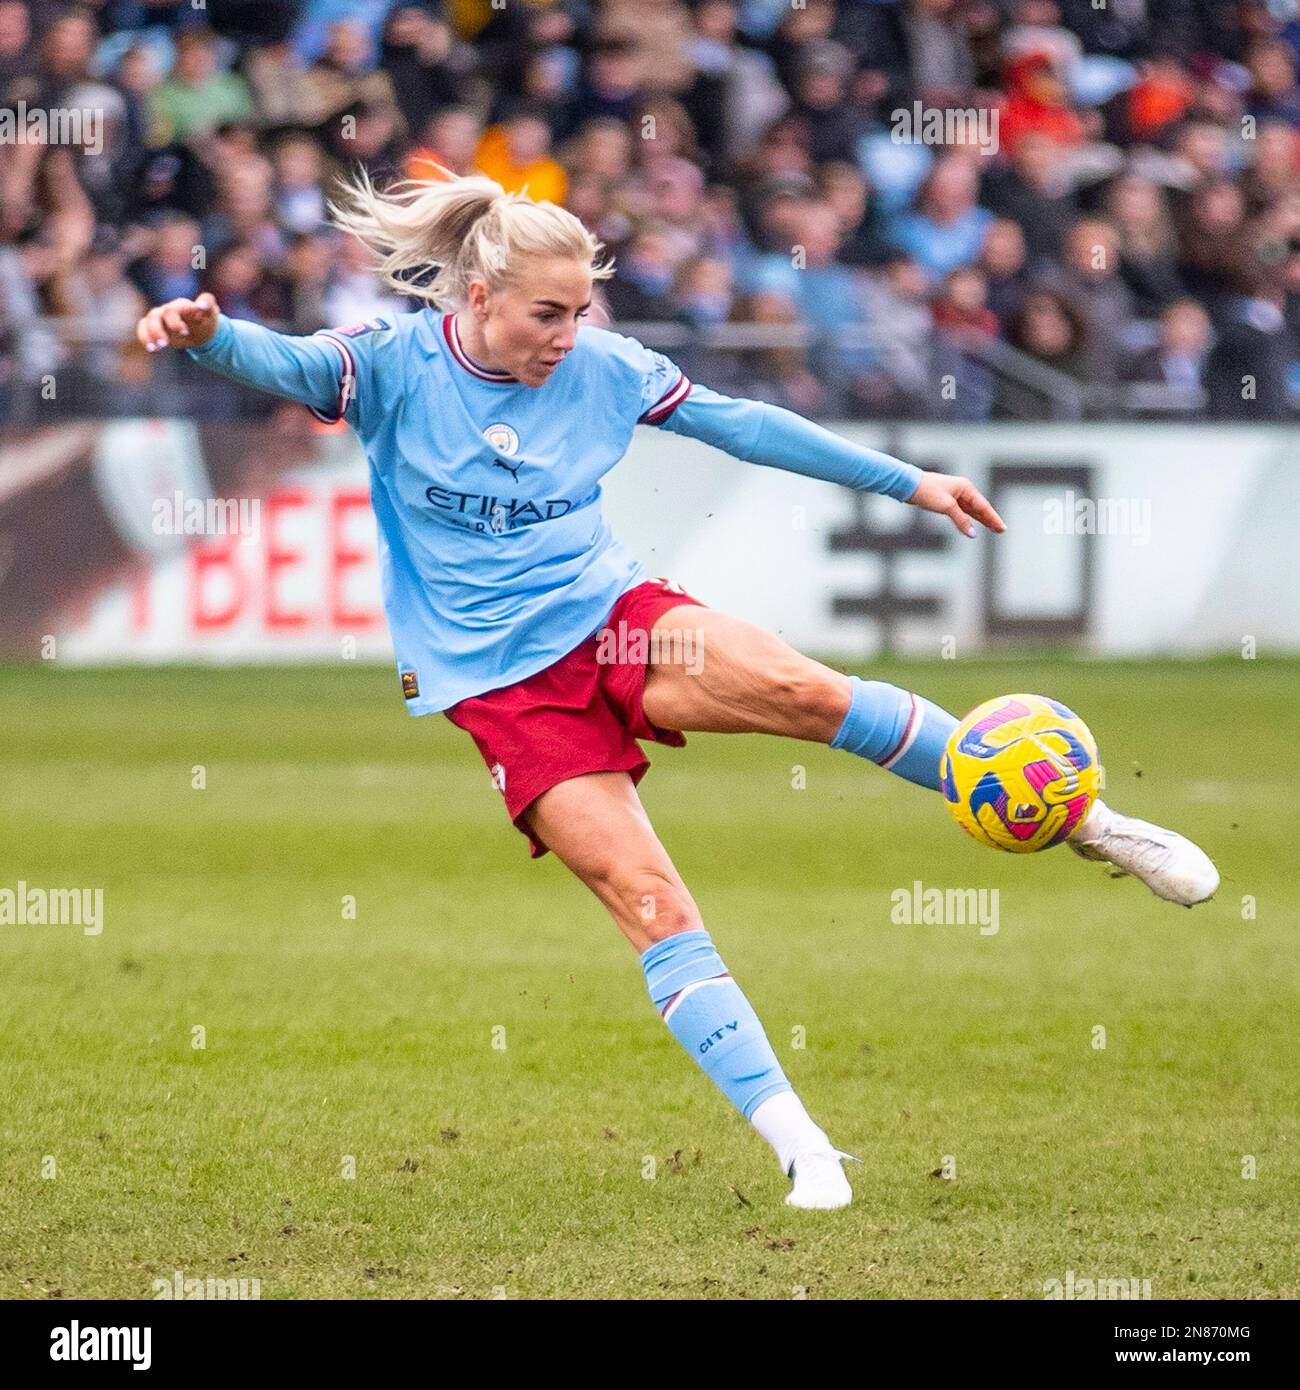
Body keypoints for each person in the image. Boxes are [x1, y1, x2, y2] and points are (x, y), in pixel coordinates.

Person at [135, 169, 1220, 1210]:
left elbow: (743, 424)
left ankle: (1085, 817)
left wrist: (910, 480)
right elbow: (278, 363)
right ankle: (805, 1152)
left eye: (579, 312)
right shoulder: (391, 364)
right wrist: (206, 336)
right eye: (545, 316)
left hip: (610, 619)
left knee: (803, 688)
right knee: (651, 903)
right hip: (499, 687)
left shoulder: (601, 368)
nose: (566, 337)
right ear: (478, 298)